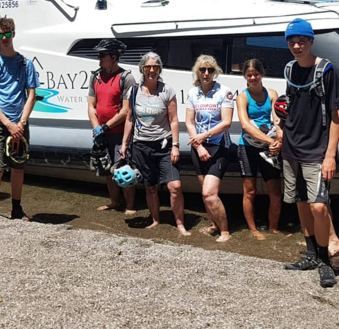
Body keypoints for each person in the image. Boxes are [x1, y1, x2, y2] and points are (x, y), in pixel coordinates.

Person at [280, 17, 339, 288]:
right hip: (291, 148)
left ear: (311, 41)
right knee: (301, 203)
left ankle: (325, 261)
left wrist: (330, 155)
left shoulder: (328, 71)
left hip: (317, 150)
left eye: (302, 41)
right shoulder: (290, 70)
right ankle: (310, 254)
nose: (297, 46)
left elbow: (337, 115)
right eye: (292, 41)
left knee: (319, 206)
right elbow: (290, 106)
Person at [119, 52, 189, 236]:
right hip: (141, 146)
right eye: (148, 67)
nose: (152, 70)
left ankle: (180, 224)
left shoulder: (167, 90)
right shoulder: (133, 91)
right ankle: (155, 219)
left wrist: (175, 145)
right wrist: (125, 144)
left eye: (155, 67)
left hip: (164, 145)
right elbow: (129, 119)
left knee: (175, 186)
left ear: (159, 69)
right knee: (150, 187)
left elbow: (173, 120)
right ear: (142, 69)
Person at [0, 17, 38, 221]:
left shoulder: (25, 63)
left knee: (17, 169)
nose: (4, 38)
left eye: (7, 34)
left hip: (20, 124)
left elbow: (31, 95)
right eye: (0, 35)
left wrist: (21, 123)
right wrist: (8, 124)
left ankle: (16, 207)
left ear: (13, 34)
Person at [184, 55, 234, 243]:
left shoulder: (224, 92)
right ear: (197, 71)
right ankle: (214, 225)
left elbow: (226, 122)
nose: (206, 73)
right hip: (198, 147)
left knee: (209, 193)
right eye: (202, 69)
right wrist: (198, 146)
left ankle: (225, 231)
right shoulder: (192, 93)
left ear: (215, 72)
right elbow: (189, 122)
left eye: (210, 70)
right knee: (204, 192)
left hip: (218, 146)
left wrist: (203, 137)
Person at [235, 59, 285, 240]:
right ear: (245, 77)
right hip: (247, 148)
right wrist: (270, 140)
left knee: (275, 193)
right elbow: (245, 124)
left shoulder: (272, 94)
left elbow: (278, 119)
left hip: (269, 148)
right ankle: (254, 230)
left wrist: (279, 139)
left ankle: (274, 228)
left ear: (262, 74)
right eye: (249, 75)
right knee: (250, 192)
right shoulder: (242, 97)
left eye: (256, 74)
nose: (253, 78)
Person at [87, 38, 137, 213]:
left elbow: (125, 111)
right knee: (107, 170)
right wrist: (97, 129)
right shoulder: (95, 76)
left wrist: (105, 127)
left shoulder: (126, 78)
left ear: (114, 57)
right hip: (102, 133)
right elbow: (91, 106)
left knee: (123, 170)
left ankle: (130, 206)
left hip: (119, 133)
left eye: (102, 55)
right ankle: (114, 202)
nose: (99, 58)